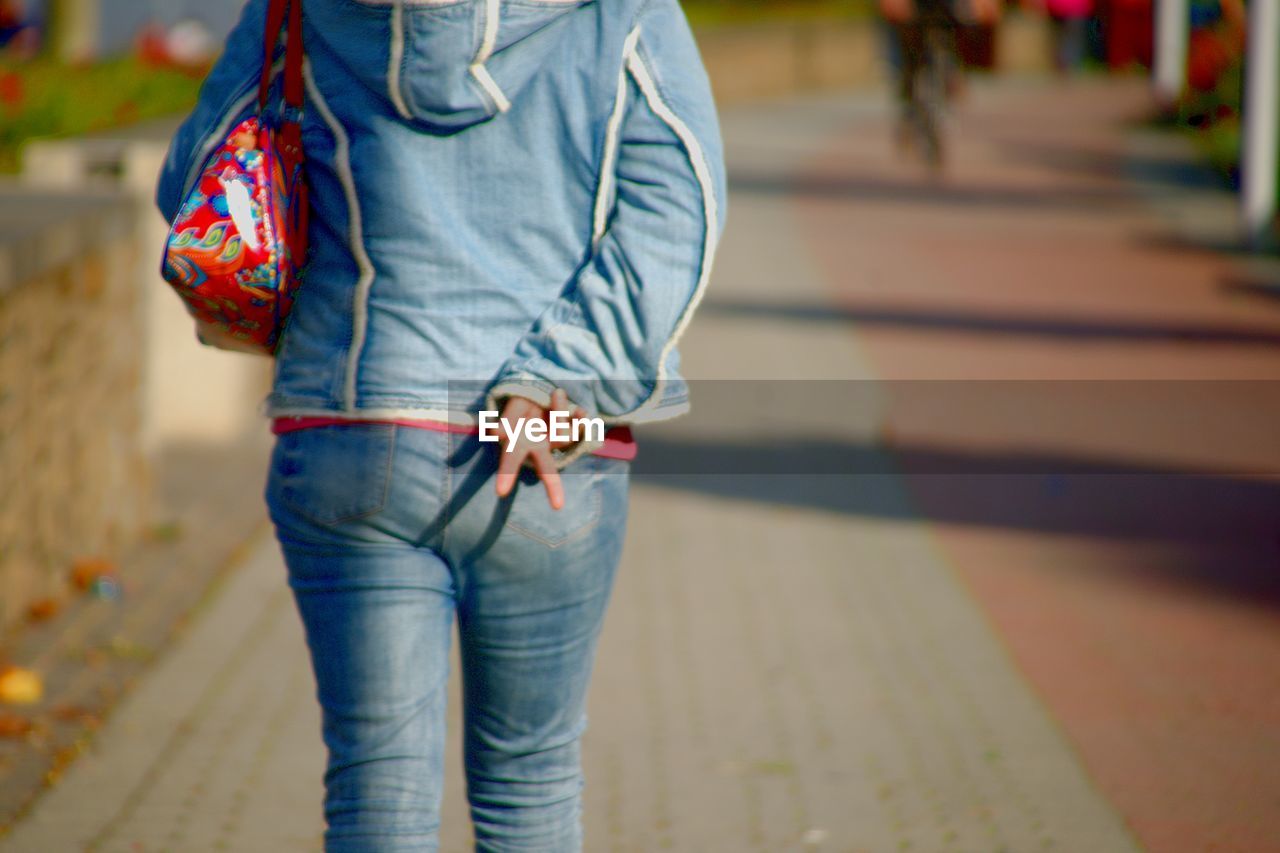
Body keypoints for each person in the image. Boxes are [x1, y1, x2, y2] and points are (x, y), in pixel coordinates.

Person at [155, 0, 725, 850]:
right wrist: (554, 377)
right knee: (529, 786)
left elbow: (195, 182)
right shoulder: (625, 13)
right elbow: (678, 211)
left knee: (375, 798)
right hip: (543, 449)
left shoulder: (299, 10)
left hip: (355, 415)